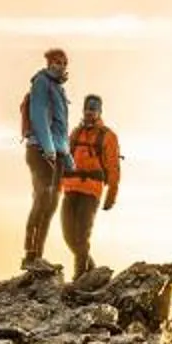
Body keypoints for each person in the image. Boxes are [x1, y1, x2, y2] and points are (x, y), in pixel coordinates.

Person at [58, 93, 123, 277]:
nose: (89, 113)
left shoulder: (108, 136)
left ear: (99, 112)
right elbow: (64, 161)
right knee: (69, 236)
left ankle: (79, 278)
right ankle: (93, 272)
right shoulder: (76, 133)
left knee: (82, 237)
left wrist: (111, 196)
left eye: (93, 110)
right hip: (70, 189)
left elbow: (113, 168)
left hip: (91, 191)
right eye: (87, 109)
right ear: (83, 110)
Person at [20, 47, 72, 271]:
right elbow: (39, 116)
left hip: (56, 154)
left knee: (50, 205)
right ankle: (30, 255)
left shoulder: (58, 88)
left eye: (64, 63)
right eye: (56, 62)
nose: (60, 66)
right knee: (42, 198)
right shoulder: (41, 82)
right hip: (41, 151)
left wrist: (67, 157)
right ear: (49, 63)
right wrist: (49, 148)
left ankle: (38, 255)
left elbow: (61, 127)